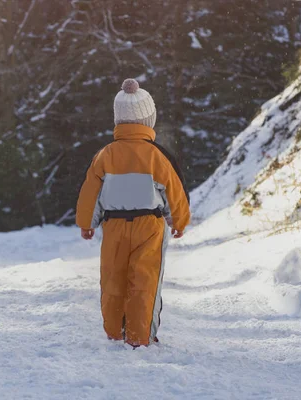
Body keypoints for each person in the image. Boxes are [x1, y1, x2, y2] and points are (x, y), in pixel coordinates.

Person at [76, 78, 191, 348]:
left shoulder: (105, 155)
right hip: (149, 225)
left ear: (119, 121)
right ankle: (140, 337)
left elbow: (90, 192)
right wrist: (179, 220)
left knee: (113, 278)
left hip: (113, 226)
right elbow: (173, 190)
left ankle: (115, 331)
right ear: (148, 120)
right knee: (144, 280)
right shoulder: (156, 156)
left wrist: (86, 223)